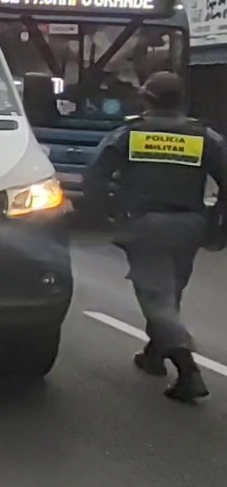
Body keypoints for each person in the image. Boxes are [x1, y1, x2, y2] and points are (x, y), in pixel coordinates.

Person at [81, 71, 227, 404]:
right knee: (168, 290)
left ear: (147, 98)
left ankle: (188, 371)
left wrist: (107, 217)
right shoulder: (206, 137)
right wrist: (217, 226)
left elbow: (94, 179)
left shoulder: (128, 135)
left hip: (146, 227)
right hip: (190, 226)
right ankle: (153, 353)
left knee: (156, 297)